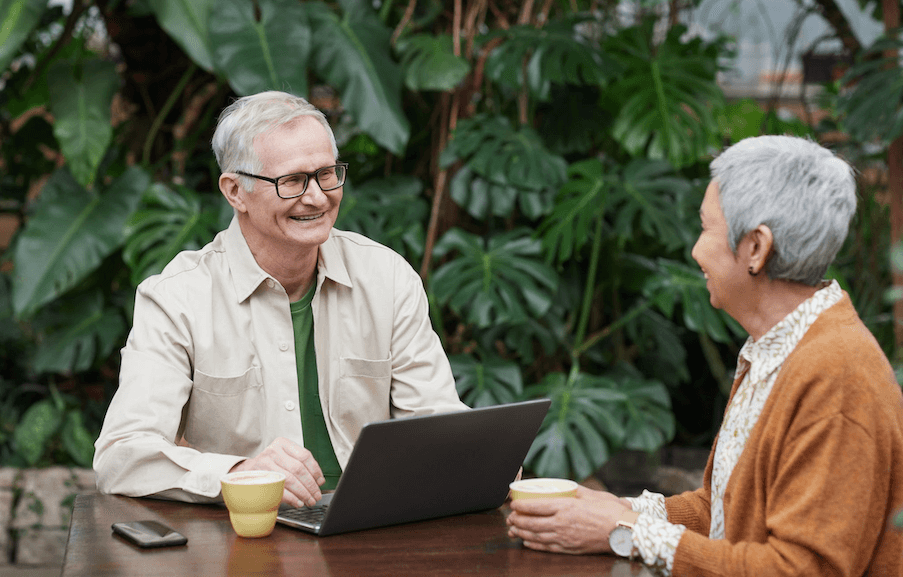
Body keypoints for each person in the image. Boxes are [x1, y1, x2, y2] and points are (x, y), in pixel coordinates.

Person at [506, 135, 903, 576]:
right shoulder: (780, 345)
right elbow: (721, 511)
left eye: (707, 228)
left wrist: (629, 532)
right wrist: (614, 511)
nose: (696, 251)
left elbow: (801, 569)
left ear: (756, 248)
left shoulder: (836, 375)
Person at [94, 91, 467, 508]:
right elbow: (121, 455)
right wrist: (238, 475)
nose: (318, 197)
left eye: (327, 173)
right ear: (235, 192)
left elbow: (436, 423)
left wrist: (476, 453)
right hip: (247, 534)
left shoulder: (387, 277)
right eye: (293, 181)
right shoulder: (177, 299)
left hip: (372, 523)